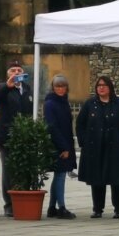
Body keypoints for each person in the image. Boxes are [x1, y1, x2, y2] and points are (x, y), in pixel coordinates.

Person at [76, 75, 119, 218]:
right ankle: (97, 208)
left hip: (117, 148)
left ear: (110, 87)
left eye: (104, 85)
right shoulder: (90, 104)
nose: (101, 88)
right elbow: (80, 124)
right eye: (98, 86)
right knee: (97, 179)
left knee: (118, 179)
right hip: (95, 148)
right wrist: (84, 141)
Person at [0, 61, 34, 217]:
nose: (16, 73)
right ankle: (9, 204)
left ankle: (23, 198)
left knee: (24, 169)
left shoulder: (28, 89)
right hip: (8, 136)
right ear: (8, 73)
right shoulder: (2, 88)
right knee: (9, 170)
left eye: (19, 70)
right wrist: (8, 85)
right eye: (13, 70)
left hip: (25, 135)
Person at [44, 74, 78, 219]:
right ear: (53, 87)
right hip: (58, 144)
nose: (60, 89)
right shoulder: (50, 103)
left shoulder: (63, 102)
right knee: (60, 176)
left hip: (65, 142)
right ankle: (61, 207)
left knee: (59, 175)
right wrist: (63, 147)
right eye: (57, 86)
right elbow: (52, 127)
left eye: (62, 86)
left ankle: (52, 207)